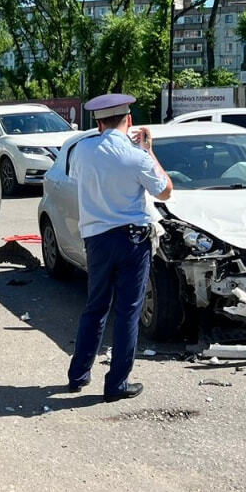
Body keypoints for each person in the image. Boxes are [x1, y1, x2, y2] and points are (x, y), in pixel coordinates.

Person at [65, 93, 172, 401]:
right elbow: (165, 192)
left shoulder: (81, 150)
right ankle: (116, 385)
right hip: (132, 241)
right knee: (127, 311)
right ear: (130, 119)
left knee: (95, 307)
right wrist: (149, 150)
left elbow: (74, 172)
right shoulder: (136, 155)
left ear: (98, 123)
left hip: (97, 240)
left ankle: (78, 375)